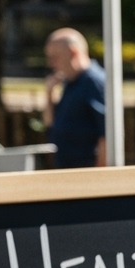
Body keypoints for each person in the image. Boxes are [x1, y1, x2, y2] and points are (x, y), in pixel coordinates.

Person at [43, 28, 106, 168]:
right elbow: (50, 124)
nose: (50, 63)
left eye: (54, 57)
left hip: (88, 175)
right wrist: (49, 94)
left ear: (74, 52)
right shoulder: (69, 82)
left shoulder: (95, 82)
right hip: (67, 171)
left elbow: (107, 136)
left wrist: (100, 177)